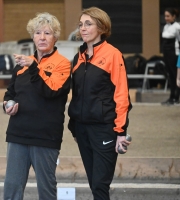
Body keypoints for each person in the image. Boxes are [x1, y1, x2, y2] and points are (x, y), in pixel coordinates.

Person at [3, 13, 71, 200]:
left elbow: (50, 91)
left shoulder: (62, 64)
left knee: (46, 190)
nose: (42, 37)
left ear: (55, 37)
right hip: (18, 133)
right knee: (11, 190)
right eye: (38, 32)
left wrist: (34, 66)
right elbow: (10, 93)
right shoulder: (22, 65)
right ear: (32, 36)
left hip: (45, 136)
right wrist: (7, 105)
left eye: (47, 33)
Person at [67, 7, 132, 200]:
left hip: (104, 129)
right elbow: (76, 94)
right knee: (93, 183)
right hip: (82, 129)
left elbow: (122, 95)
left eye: (88, 24)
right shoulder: (78, 57)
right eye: (80, 25)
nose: (83, 29)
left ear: (102, 27)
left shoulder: (113, 55)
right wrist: (74, 127)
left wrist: (120, 132)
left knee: (100, 185)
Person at [161, 8, 180, 105]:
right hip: (167, 54)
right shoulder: (166, 27)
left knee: (175, 76)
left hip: (174, 54)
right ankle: (172, 96)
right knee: (170, 76)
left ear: (174, 16)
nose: (166, 18)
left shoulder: (177, 27)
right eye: (165, 16)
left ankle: (176, 97)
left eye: (168, 16)